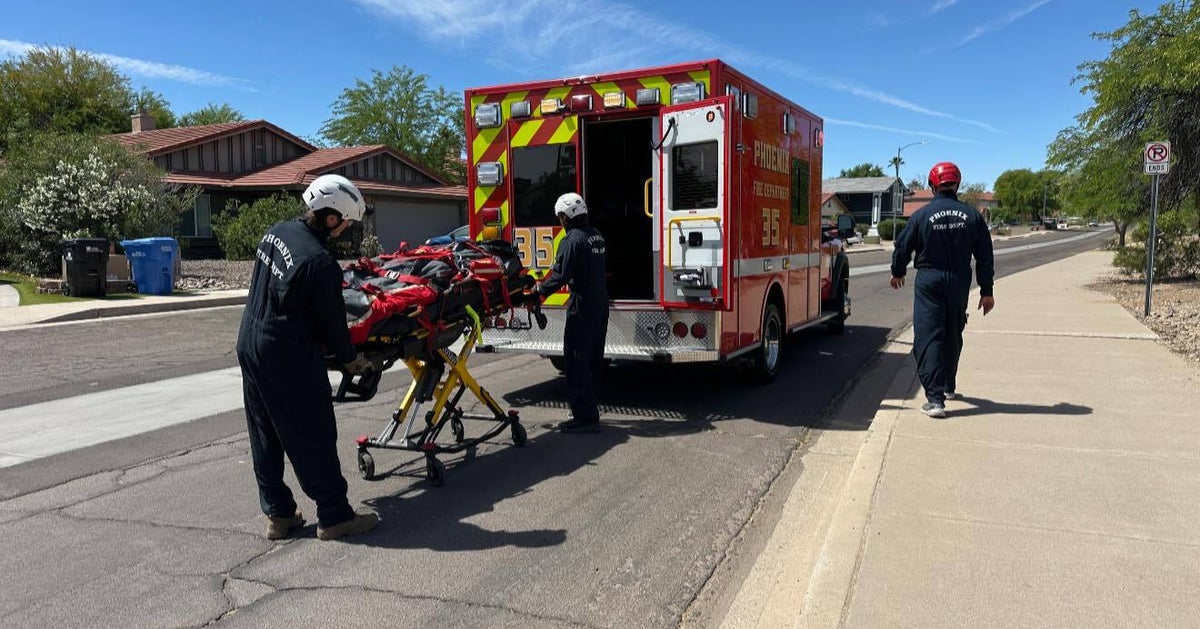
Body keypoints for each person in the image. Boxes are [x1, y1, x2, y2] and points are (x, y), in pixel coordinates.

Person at [237, 173, 380, 541]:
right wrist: (351, 359)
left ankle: (279, 515)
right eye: (346, 223)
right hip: (286, 352)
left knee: (264, 431)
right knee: (313, 431)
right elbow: (333, 324)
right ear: (331, 217)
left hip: (250, 340)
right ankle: (334, 516)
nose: (346, 230)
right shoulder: (319, 262)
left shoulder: (276, 232)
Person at [890, 162, 995, 419]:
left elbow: (903, 246)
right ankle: (948, 384)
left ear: (932, 185)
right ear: (957, 184)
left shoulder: (921, 216)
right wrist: (986, 290)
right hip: (959, 280)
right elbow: (985, 255)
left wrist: (898, 271)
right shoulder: (972, 216)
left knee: (929, 336)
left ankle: (935, 399)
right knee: (953, 331)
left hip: (929, 280)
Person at [534, 192, 609, 433]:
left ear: (566, 217)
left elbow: (561, 275)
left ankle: (584, 417)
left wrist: (539, 292)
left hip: (583, 303)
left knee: (576, 360)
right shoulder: (596, 235)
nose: (560, 221)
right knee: (593, 358)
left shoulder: (572, 240)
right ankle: (590, 407)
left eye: (560, 217)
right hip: (600, 302)